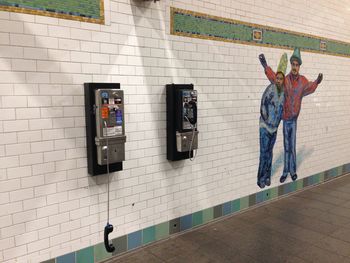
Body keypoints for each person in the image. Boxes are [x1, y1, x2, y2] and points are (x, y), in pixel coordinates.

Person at [259, 48, 323, 183]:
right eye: (293, 64)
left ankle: (292, 171)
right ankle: (285, 172)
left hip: (293, 121)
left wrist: (317, 81)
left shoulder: (303, 81)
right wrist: (265, 66)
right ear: (291, 65)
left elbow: (310, 87)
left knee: (291, 146)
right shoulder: (285, 80)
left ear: (299, 66)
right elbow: (273, 77)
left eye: (297, 65)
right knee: (286, 145)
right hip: (285, 120)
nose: (294, 67)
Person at [257, 53, 287, 189]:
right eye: (277, 78)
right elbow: (263, 104)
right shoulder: (270, 89)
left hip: (274, 129)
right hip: (265, 127)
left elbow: (281, 111)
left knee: (270, 152)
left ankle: (268, 176)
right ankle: (260, 178)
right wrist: (267, 119)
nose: (279, 80)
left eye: (281, 79)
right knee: (264, 153)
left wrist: (277, 122)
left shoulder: (283, 94)